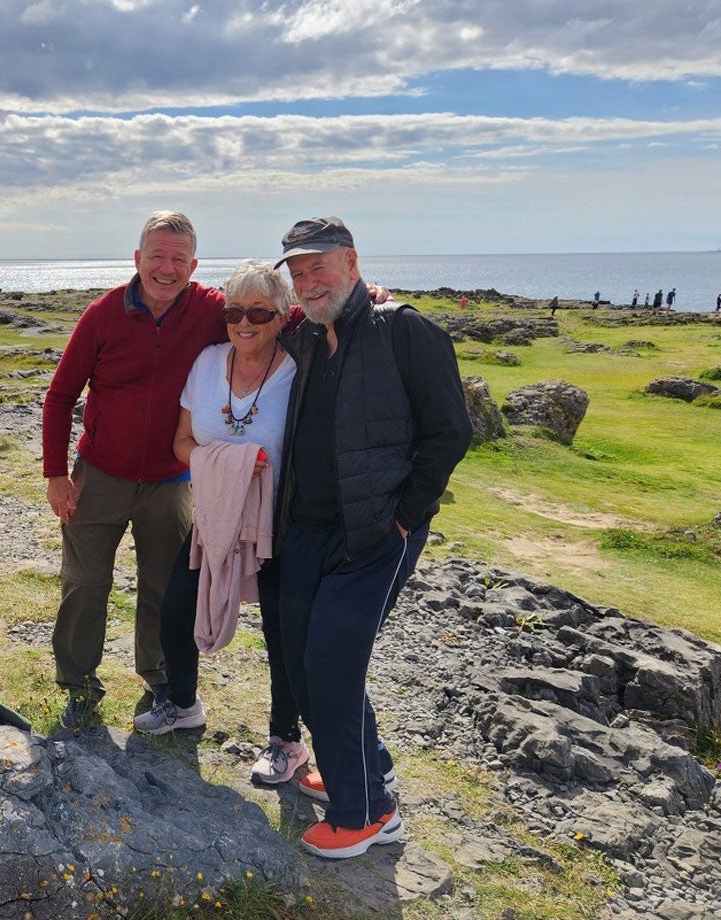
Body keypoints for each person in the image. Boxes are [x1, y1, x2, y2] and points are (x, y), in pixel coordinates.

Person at [272, 217, 471, 859]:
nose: (308, 282)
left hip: (374, 535)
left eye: (318, 267)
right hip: (307, 527)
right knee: (302, 660)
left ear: (352, 263)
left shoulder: (403, 329)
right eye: (297, 272)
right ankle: (356, 766)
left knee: (332, 661)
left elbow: (451, 431)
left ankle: (366, 813)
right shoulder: (305, 334)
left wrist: (404, 516)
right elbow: (240, 316)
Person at [42, 210, 225, 729]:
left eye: (178, 259)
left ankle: (161, 679)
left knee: (165, 587)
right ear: (138, 259)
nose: (167, 268)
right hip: (99, 474)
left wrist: (362, 297)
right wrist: (56, 474)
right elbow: (60, 396)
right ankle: (79, 685)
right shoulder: (103, 314)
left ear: (194, 266)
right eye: (157, 256)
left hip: (171, 480)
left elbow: (273, 314)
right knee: (84, 584)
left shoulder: (211, 309)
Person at [132, 260, 311, 785]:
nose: (244, 323)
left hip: (279, 522)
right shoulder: (208, 363)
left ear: (282, 317)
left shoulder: (298, 371)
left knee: (282, 631)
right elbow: (181, 443)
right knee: (176, 608)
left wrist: (372, 296)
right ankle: (183, 703)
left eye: (259, 312)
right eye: (234, 312)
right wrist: (231, 465)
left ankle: (286, 740)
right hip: (215, 512)